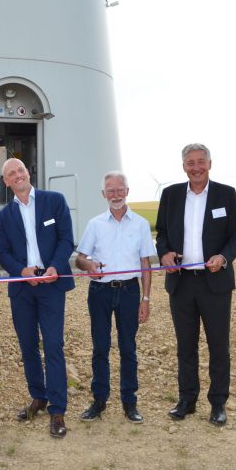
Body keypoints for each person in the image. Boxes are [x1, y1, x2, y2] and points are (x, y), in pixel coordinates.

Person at [155, 143, 236, 426]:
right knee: (186, 346)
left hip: (215, 284)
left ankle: (218, 403)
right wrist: (165, 253)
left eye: (200, 162)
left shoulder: (225, 194)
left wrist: (223, 257)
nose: (196, 167)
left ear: (210, 163)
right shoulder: (170, 195)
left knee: (219, 346)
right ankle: (187, 400)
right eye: (190, 162)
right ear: (183, 166)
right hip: (181, 284)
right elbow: (162, 235)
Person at [0, 158, 75, 438]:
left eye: (20, 170)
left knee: (53, 345)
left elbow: (66, 239)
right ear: (6, 182)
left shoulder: (55, 201)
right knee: (28, 345)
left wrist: (55, 266)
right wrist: (21, 271)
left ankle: (57, 409)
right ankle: (38, 397)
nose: (17, 176)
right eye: (10, 174)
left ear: (28, 172)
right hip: (22, 288)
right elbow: (2, 252)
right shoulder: (5, 215)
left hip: (51, 284)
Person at [75, 171, 154, 424]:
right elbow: (80, 258)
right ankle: (99, 400)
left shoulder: (140, 224)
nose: (116, 195)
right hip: (100, 292)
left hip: (130, 291)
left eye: (120, 190)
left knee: (128, 348)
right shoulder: (95, 224)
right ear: (103, 194)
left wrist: (146, 299)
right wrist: (88, 266)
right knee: (100, 347)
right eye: (111, 191)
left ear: (128, 192)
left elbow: (145, 264)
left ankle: (130, 402)